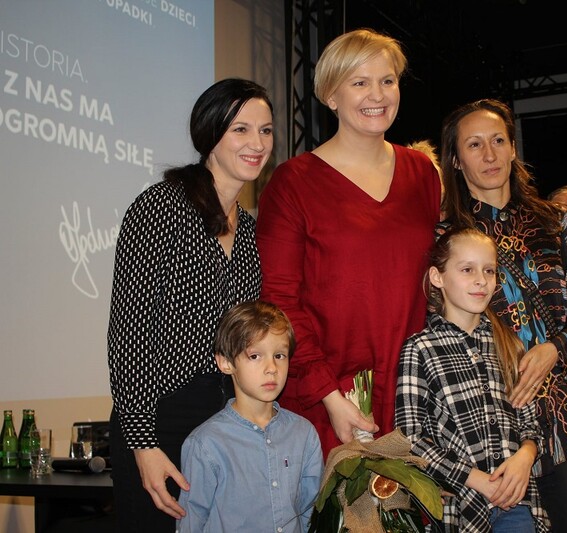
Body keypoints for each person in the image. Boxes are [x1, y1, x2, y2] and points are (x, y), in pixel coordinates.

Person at [256, 28, 441, 459]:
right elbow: (279, 299)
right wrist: (328, 394)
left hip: (413, 393)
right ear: (331, 95)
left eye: (388, 80)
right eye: (360, 82)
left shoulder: (422, 174)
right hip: (331, 400)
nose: (377, 94)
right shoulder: (292, 182)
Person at [107, 78, 271, 531]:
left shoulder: (254, 233)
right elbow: (131, 332)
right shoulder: (160, 207)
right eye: (241, 129)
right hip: (160, 418)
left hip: (228, 422)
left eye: (266, 130)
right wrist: (143, 444)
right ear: (210, 134)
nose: (257, 143)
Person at [439, 98, 567, 532]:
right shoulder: (445, 235)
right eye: (474, 145)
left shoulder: (554, 222)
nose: (490, 155)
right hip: (490, 419)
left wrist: (555, 349)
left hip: (564, 417)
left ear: (514, 149)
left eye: (498, 141)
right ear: (455, 159)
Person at [395, 226, 549, 532]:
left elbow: (531, 423)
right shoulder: (420, 349)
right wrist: (474, 478)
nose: (481, 280)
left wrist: (526, 457)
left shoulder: (510, 345)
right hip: (462, 508)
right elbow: (410, 438)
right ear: (437, 277)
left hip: (516, 502)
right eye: (467, 269)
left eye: (489, 270)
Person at [176, 301, 322, 532]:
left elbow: (309, 512)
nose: (271, 368)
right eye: (255, 356)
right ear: (226, 363)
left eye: (279, 355)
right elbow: (191, 521)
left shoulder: (304, 434)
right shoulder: (205, 444)